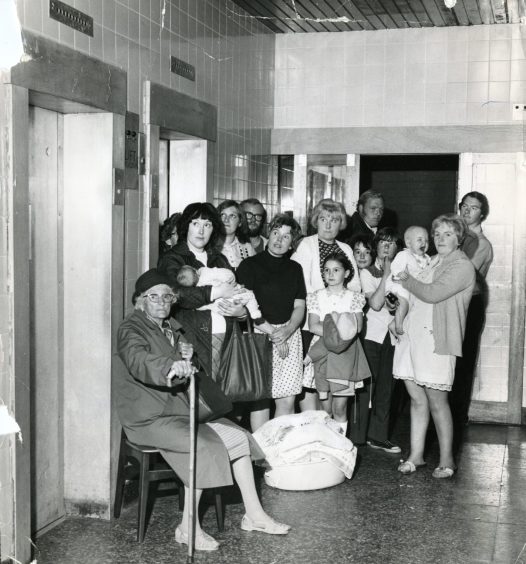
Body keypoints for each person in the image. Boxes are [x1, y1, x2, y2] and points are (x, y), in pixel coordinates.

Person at [115, 269, 290, 551]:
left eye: (166, 296)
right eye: (153, 297)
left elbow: (190, 361)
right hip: (149, 416)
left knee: (239, 437)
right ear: (140, 301)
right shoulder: (131, 328)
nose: (161, 302)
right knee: (204, 446)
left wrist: (188, 359)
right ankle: (187, 527)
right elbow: (139, 360)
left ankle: (255, 515)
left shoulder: (172, 326)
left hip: (178, 410)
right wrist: (169, 367)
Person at [394, 214, 475, 478]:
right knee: (417, 399)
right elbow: (414, 297)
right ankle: (416, 456)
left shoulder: (462, 266)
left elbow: (431, 293)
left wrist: (404, 279)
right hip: (412, 335)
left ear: (459, 238)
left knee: (437, 401)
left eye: (448, 234)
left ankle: (447, 460)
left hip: (436, 340)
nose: (440, 239)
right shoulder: (432, 260)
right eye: (437, 233)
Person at [157, 202, 245, 380]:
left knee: (226, 397)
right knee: (202, 397)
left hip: (226, 338)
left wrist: (241, 312)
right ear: (185, 227)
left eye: (207, 225)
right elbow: (176, 294)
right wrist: (216, 291)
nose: (201, 230)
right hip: (192, 340)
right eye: (195, 223)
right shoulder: (173, 258)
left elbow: (236, 292)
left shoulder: (219, 259)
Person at [237, 214, 306, 430]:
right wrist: (274, 334)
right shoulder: (249, 265)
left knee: (287, 399)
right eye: (276, 233)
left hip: (289, 334)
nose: (279, 239)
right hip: (259, 334)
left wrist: (288, 329)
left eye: (286, 237)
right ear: (269, 233)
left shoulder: (295, 269)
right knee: (261, 398)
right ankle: (262, 456)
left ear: (292, 243)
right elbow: (246, 307)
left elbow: (299, 306)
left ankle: (279, 454)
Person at [291, 198, 361, 411]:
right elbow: (301, 285)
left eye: (334, 219)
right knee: (312, 383)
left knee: (337, 386)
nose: (328, 225)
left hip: (341, 328)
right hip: (313, 323)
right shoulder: (306, 244)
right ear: (316, 221)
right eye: (323, 219)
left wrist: (340, 318)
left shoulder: (346, 249)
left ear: (341, 223)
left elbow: (355, 287)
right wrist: (324, 309)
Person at [304, 253, 370, 436]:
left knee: (340, 406)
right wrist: (338, 330)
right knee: (325, 408)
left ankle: (340, 445)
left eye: (336, 270)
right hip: (323, 353)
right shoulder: (316, 297)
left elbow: (356, 327)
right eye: (326, 270)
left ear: (347, 273)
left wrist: (336, 331)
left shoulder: (354, 297)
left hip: (345, 355)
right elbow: (313, 325)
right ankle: (326, 445)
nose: (330, 274)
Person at [351, 227, 401, 453]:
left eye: (392, 243)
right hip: (371, 335)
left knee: (386, 388)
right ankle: (357, 436)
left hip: (392, 337)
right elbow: (376, 304)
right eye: (383, 242)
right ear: (377, 246)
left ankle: (378, 435)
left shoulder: (402, 271)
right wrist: (387, 274)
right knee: (365, 387)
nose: (387, 247)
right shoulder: (367, 272)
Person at [451, 192, 494, 437]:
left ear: (482, 214)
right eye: (464, 206)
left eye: (474, 208)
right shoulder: (458, 236)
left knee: (463, 363)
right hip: (455, 302)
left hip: (471, 304)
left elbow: (461, 273)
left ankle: (458, 417)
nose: (467, 211)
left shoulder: (481, 243)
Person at [175, 264, 274, 334]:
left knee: (244, 296)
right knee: (249, 295)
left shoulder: (216, 260)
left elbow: (200, 306)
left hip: (226, 314)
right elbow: (226, 274)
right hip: (225, 310)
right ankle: (254, 310)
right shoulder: (203, 271)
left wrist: (243, 313)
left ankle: (253, 311)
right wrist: (225, 284)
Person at [386, 226, 430, 337]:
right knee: (404, 303)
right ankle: (398, 325)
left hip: (410, 288)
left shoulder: (427, 258)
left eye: (426, 240)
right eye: (420, 240)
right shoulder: (404, 254)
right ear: (408, 243)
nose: (424, 243)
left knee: (410, 308)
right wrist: (399, 273)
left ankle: (393, 323)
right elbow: (395, 266)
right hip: (397, 286)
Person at [217, 200, 255, 269]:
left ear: (240, 222)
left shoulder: (248, 248)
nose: (226, 220)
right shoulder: (210, 247)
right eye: (222, 215)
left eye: (232, 216)